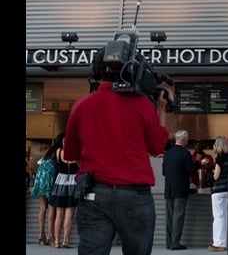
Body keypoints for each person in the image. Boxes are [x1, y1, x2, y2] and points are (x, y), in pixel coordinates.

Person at [63, 46, 171, 255]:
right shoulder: (142, 105)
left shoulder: (81, 106)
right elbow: (157, 146)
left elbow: (70, 155)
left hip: (94, 194)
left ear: (95, 71)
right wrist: (162, 110)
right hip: (135, 196)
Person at [162, 129, 199, 250]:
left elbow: (164, 172)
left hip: (168, 189)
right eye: (187, 139)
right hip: (180, 189)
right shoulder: (185, 153)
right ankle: (175, 243)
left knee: (169, 216)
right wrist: (198, 162)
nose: (187, 141)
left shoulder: (168, 153)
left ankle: (168, 242)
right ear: (183, 140)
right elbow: (191, 169)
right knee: (178, 216)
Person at [48, 132, 79, 249]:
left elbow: (55, 165)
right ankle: (66, 240)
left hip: (60, 182)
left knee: (59, 213)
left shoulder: (58, 152)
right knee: (69, 214)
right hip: (72, 183)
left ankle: (56, 241)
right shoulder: (76, 154)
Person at [30, 136, 60, 246]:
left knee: (42, 207)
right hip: (50, 178)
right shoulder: (59, 151)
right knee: (52, 207)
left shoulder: (48, 151)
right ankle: (50, 235)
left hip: (40, 177)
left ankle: (40, 233)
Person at [207, 135, 228, 252]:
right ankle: (224, 242)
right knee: (224, 217)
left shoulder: (220, 159)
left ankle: (218, 243)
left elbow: (216, 176)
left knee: (218, 217)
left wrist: (208, 170)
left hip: (218, 190)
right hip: (227, 190)